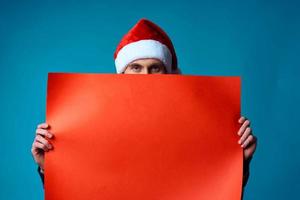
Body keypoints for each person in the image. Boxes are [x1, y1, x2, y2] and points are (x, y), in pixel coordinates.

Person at [31, 18, 257, 193]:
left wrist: (239, 162)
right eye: (136, 67)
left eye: (155, 68)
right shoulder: (92, 125)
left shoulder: (199, 126)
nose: (146, 76)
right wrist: (49, 167)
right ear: (122, 74)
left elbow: (212, 190)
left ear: (169, 74)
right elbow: (80, 189)